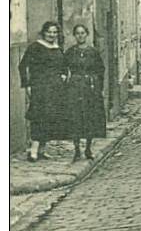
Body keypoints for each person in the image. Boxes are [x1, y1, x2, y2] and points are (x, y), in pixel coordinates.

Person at [18, 21, 67, 162]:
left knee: (50, 118)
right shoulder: (35, 47)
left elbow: (63, 65)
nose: (52, 35)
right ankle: (33, 150)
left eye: (54, 32)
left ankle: (42, 150)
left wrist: (63, 76)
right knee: (39, 116)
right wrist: (27, 84)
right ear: (44, 32)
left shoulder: (57, 48)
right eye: (49, 32)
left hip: (55, 89)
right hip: (40, 87)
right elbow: (22, 65)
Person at [65, 24, 106, 161]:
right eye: (77, 33)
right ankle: (76, 149)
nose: (80, 35)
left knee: (90, 116)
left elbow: (101, 70)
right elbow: (63, 68)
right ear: (74, 35)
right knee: (75, 116)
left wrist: (100, 88)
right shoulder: (70, 52)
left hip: (90, 87)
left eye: (83, 33)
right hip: (75, 88)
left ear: (87, 35)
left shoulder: (93, 52)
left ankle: (88, 148)